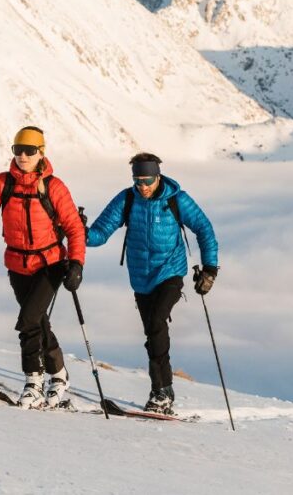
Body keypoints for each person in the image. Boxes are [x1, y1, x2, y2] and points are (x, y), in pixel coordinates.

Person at [0, 126, 86, 409]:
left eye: (29, 151)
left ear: (41, 152)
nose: (23, 156)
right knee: (38, 322)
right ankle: (59, 375)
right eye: (18, 150)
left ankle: (33, 381)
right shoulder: (3, 183)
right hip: (17, 264)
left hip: (50, 263)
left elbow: (74, 228)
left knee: (28, 321)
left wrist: (76, 263)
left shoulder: (54, 187)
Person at [85, 152, 218, 415]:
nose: (142, 186)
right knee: (151, 334)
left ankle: (162, 391)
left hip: (170, 272)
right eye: (138, 181)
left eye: (147, 180)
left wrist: (210, 269)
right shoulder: (127, 199)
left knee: (157, 324)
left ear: (158, 177)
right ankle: (161, 390)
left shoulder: (176, 199)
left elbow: (204, 228)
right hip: (140, 278)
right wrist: (79, 231)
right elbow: (100, 234)